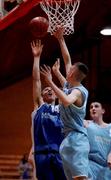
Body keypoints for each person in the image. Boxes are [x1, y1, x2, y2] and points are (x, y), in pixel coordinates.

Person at [40, 28, 89, 180]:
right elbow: (66, 59)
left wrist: (50, 81)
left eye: (71, 68)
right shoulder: (69, 86)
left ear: (73, 74)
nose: (69, 67)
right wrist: (60, 39)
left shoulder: (79, 91)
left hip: (77, 139)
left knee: (81, 178)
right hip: (67, 139)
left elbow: (66, 101)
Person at [30, 40, 66, 180]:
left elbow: (69, 89)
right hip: (42, 154)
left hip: (60, 154)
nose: (50, 90)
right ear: (42, 95)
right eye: (46, 89)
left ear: (57, 94)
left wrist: (57, 74)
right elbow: (36, 80)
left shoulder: (63, 108)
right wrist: (36, 57)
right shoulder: (39, 105)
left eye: (52, 89)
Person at [84, 101, 111, 180]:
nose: (93, 108)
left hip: (107, 169)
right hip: (90, 165)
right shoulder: (86, 124)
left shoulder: (110, 127)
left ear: (103, 111)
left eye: (96, 106)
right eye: (91, 107)